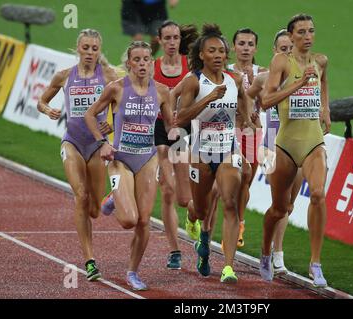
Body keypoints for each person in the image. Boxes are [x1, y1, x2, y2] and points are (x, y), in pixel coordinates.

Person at [84, 41, 174, 290]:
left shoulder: (162, 92)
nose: (143, 63)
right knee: (128, 220)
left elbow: (169, 125)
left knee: (144, 221)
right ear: (129, 63)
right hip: (120, 159)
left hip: (147, 158)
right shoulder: (116, 89)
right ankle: (113, 196)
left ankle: (133, 272)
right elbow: (90, 114)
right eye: (138, 59)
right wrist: (102, 142)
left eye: (147, 59)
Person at [176, 24, 254, 283]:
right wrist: (208, 99)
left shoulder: (234, 80)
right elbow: (180, 118)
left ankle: (228, 267)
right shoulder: (193, 82)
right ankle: (192, 219)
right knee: (200, 209)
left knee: (229, 203)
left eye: (222, 51)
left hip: (227, 151)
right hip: (200, 155)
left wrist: (247, 119)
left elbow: (243, 98)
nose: (219, 55)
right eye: (213, 51)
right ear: (202, 55)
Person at [37, 29, 117, 281]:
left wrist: (112, 125)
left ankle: (103, 203)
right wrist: (48, 109)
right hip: (71, 143)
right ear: (78, 48)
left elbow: (122, 105)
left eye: (95, 48)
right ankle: (90, 261)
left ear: (99, 51)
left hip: (95, 146)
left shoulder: (108, 75)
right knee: (80, 196)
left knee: (94, 210)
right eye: (86, 48)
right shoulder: (64, 76)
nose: (90, 52)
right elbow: (41, 100)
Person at [259, 14, 331, 288]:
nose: (308, 36)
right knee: (279, 209)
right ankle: (266, 252)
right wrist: (298, 84)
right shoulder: (281, 62)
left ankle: (316, 263)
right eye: (301, 32)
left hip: (313, 141)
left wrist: (326, 108)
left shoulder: (320, 61)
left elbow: (324, 83)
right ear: (291, 36)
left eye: (311, 31)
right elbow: (266, 101)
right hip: (286, 143)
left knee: (318, 194)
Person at [247, 29, 302, 275]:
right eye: (283, 49)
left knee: (289, 205)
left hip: (299, 143)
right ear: (274, 51)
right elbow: (246, 97)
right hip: (272, 143)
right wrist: (252, 115)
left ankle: (272, 252)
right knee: (278, 203)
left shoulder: (304, 77)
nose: (288, 53)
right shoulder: (264, 79)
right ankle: (273, 254)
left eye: (291, 48)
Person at [152, 20, 199, 270]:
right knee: (167, 191)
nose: (172, 43)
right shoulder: (150, 68)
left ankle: (193, 219)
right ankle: (174, 250)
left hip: (182, 131)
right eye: (167, 38)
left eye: (176, 38)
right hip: (157, 130)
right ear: (159, 40)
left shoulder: (189, 67)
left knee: (184, 198)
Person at [227, 28, 267, 248]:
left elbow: (267, 102)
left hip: (253, 133)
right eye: (241, 43)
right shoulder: (226, 72)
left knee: (245, 183)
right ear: (234, 47)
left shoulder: (262, 73)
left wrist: (255, 86)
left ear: (255, 48)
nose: (245, 48)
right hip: (231, 131)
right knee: (231, 181)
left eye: (250, 44)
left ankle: (239, 224)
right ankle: (224, 221)